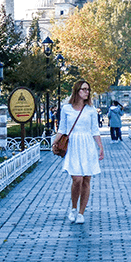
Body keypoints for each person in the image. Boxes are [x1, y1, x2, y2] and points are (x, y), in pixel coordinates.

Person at [53, 80, 104, 224]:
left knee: (86, 180)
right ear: (77, 91)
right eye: (84, 89)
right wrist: (55, 142)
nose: (87, 92)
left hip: (87, 145)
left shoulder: (91, 110)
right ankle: (73, 208)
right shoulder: (66, 109)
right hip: (74, 146)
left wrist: (100, 147)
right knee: (77, 179)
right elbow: (62, 128)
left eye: (88, 89)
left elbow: (95, 130)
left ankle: (81, 213)